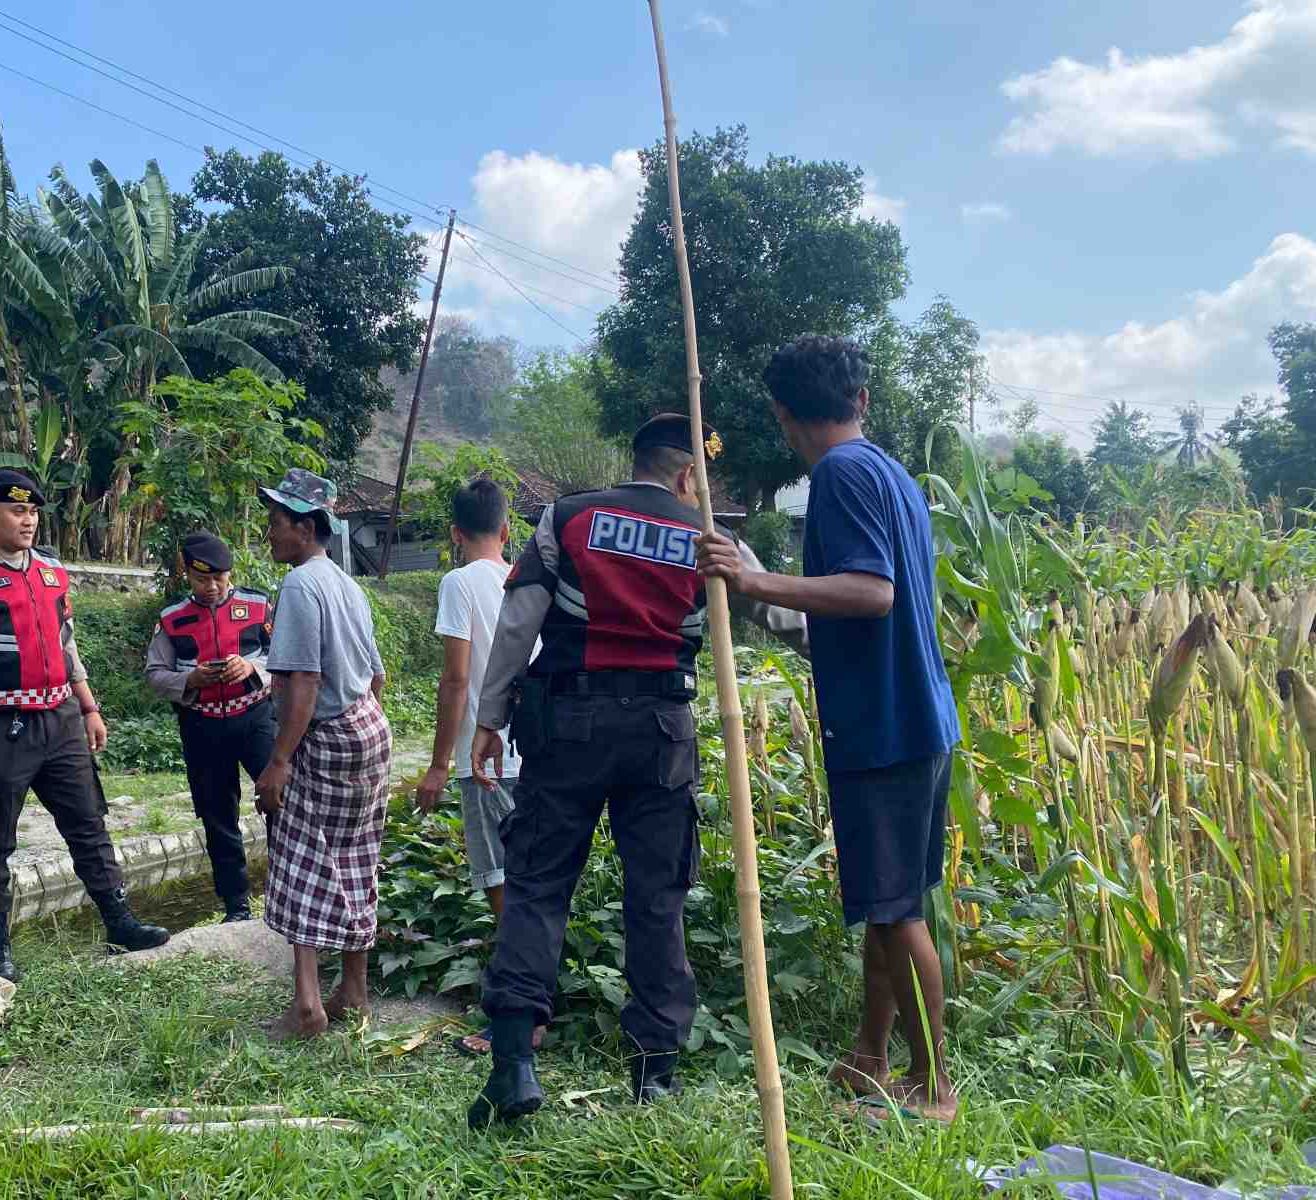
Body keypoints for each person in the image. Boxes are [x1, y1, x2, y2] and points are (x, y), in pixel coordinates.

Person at [465, 415, 807, 1129]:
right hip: (662, 734)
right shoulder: (709, 539)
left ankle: (513, 1064)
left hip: (566, 724)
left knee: (537, 885)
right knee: (657, 898)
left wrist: (490, 717)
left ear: (639, 461)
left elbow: (518, 622)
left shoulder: (567, 518)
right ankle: (654, 1076)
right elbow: (783, 616)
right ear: (687, 474)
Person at [699, 334, 961, 1122]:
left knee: (897, 912)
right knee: (888, 901)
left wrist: (752, 581)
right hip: (915, 716)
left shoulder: (841, 475)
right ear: (862, 399)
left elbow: (872, 592)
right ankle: (870, 1056)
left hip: (884, 725)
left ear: (783, 414)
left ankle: (933, 1088)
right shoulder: (888, 473)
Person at [0, 468, 169, 984]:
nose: (29, 521)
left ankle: (120, 923)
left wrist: (89, 707)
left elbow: (65, 642)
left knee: (89, 824)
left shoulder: (52, 570)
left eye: (33, 512)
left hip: (60, 720)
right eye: (17, 511)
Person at [253, 468, 393, 1040]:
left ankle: (308, 1005)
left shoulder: (300, 585)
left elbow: (304, 681)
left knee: (301, 859)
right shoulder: (346, 584)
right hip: (369, 727)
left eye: (276, 522)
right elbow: (377, 676)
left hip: (327, 734)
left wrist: (280, 760)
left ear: (306, 528)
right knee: (357, 857)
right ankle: (353, 991)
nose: (269, 533)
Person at [412, 477, 541, 1058]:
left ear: (454, 533)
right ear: (507, 530)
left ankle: (520, 1013)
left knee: (500, 884)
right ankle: (532, 1001)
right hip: (532, 751)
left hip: (483, 758)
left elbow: (456, 679)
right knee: (530, 880)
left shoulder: (458, 583)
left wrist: (440, 763)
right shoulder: (524, 579)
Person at [145, 531, 275, 923]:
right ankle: (236, 906)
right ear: (187, 574)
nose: (212, 587)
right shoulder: (171, 619)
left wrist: (252, 667)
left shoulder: (259, 606)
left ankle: (287, 892)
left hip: (256, 718)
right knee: (219, 817)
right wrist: (189, 680)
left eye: (219, 577)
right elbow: (154, 675)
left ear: (230, 573)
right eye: (202, 579)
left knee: (281, 801)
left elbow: (286, 657)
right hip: (202, 726)